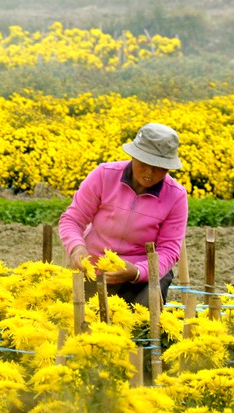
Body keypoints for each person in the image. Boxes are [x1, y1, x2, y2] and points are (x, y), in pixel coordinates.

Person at [59, 122, 188, 307]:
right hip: (93, 269)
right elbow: (72, 219)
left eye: (159, 167)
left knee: (141, 327)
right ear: (133, 156)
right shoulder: (104, 175)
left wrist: (137, 272)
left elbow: (168, 250)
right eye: (144, 163)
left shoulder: (176, 195)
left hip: (141, 278)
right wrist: (77, 248)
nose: (150, 173)